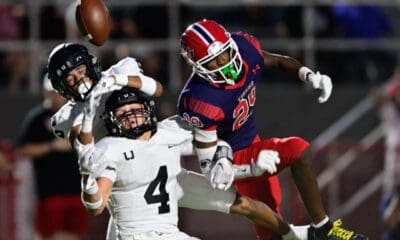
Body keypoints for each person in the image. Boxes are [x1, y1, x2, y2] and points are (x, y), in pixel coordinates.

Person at [47, 44, 311, 239]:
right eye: (69, 78)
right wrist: (89, 112)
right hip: (126, 180)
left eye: (80, 70)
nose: (78, 79)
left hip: (158, 157)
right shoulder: (69, 118)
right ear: (61, 88)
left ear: (91, 64)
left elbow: (156, 89)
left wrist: (116, 81)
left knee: (240, 202)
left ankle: (294, 235)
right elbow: (83, 149)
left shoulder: (122, 73)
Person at [178, 19, 367, 240]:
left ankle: (321, 229)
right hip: (234, 158)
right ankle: (323, 228)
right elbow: (213, 171)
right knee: (298, 150)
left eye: (226, 53)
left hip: (254, 143)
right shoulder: (200, 101)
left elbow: (277, 61)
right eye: (213, 61)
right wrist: (252, 168)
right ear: (197, 66)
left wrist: (309, 75)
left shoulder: (244, 49)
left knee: (272, 230)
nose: (224, 63)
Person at [77, 86, 310, 240]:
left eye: (135, 109)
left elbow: (214, 146)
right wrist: (88, 182)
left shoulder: (171, 130)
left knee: (244, 203)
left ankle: (292, 235)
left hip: (173, 190)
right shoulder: (110, 148)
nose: (130, 115)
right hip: (139, 231)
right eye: (123, 112)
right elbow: (96, 205)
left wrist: (248, 166)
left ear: (147, 110)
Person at [15, 74, 88, 240]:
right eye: (52, 92)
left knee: (71, 234)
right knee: (45, 234)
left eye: (58, 92)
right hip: (49, 191)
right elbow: (23, 149)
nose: (56, 96)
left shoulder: (77, 115)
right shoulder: (37, 118)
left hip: (76, 190)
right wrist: (51, 146)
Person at [375, 66, 400, 239]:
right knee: (389, 222)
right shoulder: (393, 120)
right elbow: (378, 97)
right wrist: (394, 86)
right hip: (393, 183)